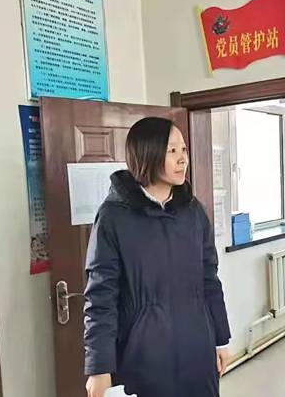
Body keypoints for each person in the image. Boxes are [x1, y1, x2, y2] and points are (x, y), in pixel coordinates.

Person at [84, 117, 231, 397]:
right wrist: (99, 367)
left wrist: (220, 339)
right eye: (172, 150)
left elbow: (209, 279)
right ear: (147, 153)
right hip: (143, 357)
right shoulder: (114, 217)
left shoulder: (193, 211)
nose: (182, 159)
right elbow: (101, 297)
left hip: (197, 349)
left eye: (183, 150)